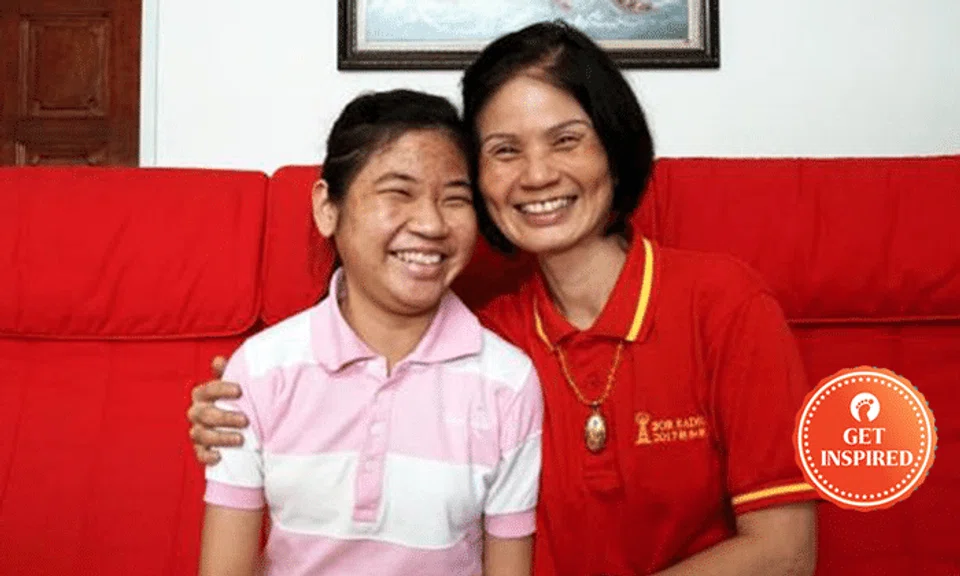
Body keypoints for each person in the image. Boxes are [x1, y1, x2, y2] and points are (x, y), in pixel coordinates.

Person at [190, 21, 818, 576]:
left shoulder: (723, 303)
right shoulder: (490, 340)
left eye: (566, 140)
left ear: (614, 147)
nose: (537, 175)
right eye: (505, 151)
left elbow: (785, 553)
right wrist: (237, 410)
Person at [197, 89, 543, 576]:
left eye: (455, 199)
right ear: (327, 208)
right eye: (398, 193)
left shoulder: (507, 381)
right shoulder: (259, 371)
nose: (431, 223)